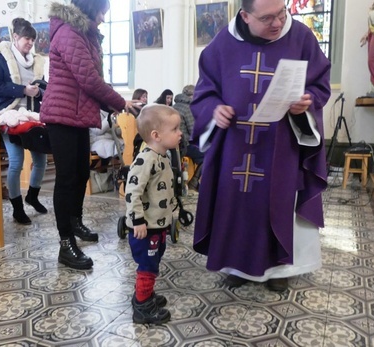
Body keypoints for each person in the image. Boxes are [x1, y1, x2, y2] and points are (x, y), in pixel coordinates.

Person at [190, 0, 331, 292]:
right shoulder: (222, 44)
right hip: (235, 144)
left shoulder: (302, 38)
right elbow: (204, 92)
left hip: (281, 147)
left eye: (282, 13)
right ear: (245, 16)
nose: (278, 23)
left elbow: (319, 86)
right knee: (235, 205)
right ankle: (237, 265)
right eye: (267, 18)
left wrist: (306, 103)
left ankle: (280, 267)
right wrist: (214, 109)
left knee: (279, 203)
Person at [41, 0, 139, 270]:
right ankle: (65, 243)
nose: (103, 20)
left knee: (81, 174)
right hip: (62, 115)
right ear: (89, 8)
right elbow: (89, 80)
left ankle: (75, 222)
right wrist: (122, 103)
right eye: (102, 14)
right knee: (67, 178)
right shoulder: (69, 33)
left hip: (77, 114)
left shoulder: (83, 34)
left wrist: (113, 103)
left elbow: (90, 80)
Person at [0, 17, 48, 225]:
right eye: (26, 39)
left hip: (32, 114)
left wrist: (39, 90)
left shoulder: (36, 61)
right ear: (15, 37)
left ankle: (32, 195)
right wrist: (22, 90)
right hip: (8, 113)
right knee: (16, 163)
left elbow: (42, 86)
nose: (30, 43)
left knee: (41, 161)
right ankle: (17, 207)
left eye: (32, 39)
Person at [125, 104, 181, 324]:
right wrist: (137, 220)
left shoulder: (163, 156)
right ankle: (142, 307)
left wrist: (174, 207)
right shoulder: (145, 160)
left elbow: (165, 187)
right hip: (144, 227)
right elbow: (132, 192)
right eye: (175, 129)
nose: (180, 133)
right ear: (156, 135)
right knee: (147, 267)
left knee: (154, 261)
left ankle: (145, 295)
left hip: (158, 224)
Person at [172, 84, 204, 190]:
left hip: (173, 144)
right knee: (208, 155)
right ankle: (194, 182)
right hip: (185, 145)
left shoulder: (174, 107)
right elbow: (194, 131)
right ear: (192, 96)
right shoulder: (188, 108)